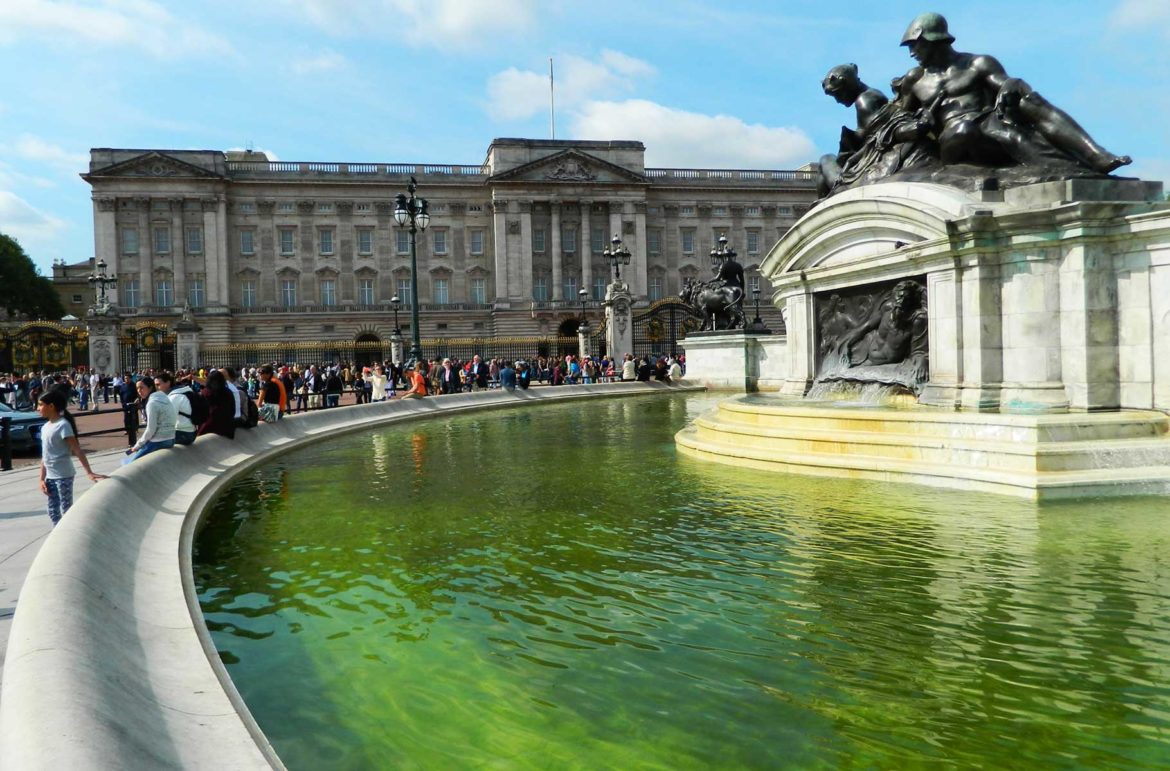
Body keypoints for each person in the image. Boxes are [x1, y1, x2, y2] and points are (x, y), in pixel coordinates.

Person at [895, 12, 1130, 173]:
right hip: (954, 141)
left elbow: (1005, 83)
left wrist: (1012, 85)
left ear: (935, 41)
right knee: (965, 128)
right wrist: (916, 128)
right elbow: (897, 126)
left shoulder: (977, 63)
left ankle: (1094, 156)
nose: (912, 52)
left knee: (1028, 102)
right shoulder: (915, 80)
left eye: (916, 44)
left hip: (990, 130)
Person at [36, 390, 105, 526]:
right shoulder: (45, 427)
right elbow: (45, 455)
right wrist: (41, 479)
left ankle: (67, 534)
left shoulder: (63, 425)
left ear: (51, 406)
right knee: (53, 511)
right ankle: (59, 534)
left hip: (63, 475)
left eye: (40, 405)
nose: (37, 408)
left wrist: (89, 472)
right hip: (50, 476)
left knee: (67, 509)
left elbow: (77, 450)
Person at [126, 377, 177, 462]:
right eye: (137, 388)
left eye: (142, 387)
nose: (139, 391)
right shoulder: (164, 398)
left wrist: (137, 445)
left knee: (132, 463)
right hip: (171, 439)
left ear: (150, 387)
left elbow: (151, 429)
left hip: (159, 441)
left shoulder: (152, 403)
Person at [157, 371, 197, 446]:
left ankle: (136, 457)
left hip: (183, 434)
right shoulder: (184, 391)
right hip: (191, 432)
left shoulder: (173, 397)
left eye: (158, 384)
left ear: (168, 382)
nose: (157, 388)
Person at [198, 369, 236, 439]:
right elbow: (233, 411)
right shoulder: (228, 392)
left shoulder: (205, 393)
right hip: (227, 428)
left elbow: (200, 413)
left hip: (208, 426)